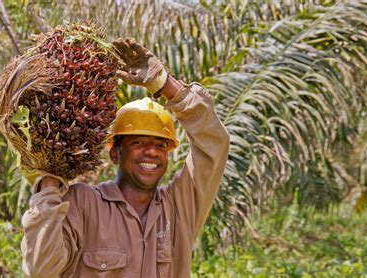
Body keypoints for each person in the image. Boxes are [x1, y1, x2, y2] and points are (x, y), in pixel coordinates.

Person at [20, 38, 230, 277]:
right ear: (114, 153)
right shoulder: (84, 204)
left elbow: (215, 144)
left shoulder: (179, 209)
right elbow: (40, 269)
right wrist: (48, 176)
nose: (151, 151)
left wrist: (164, 84)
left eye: (160, 145)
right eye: (138, 142)